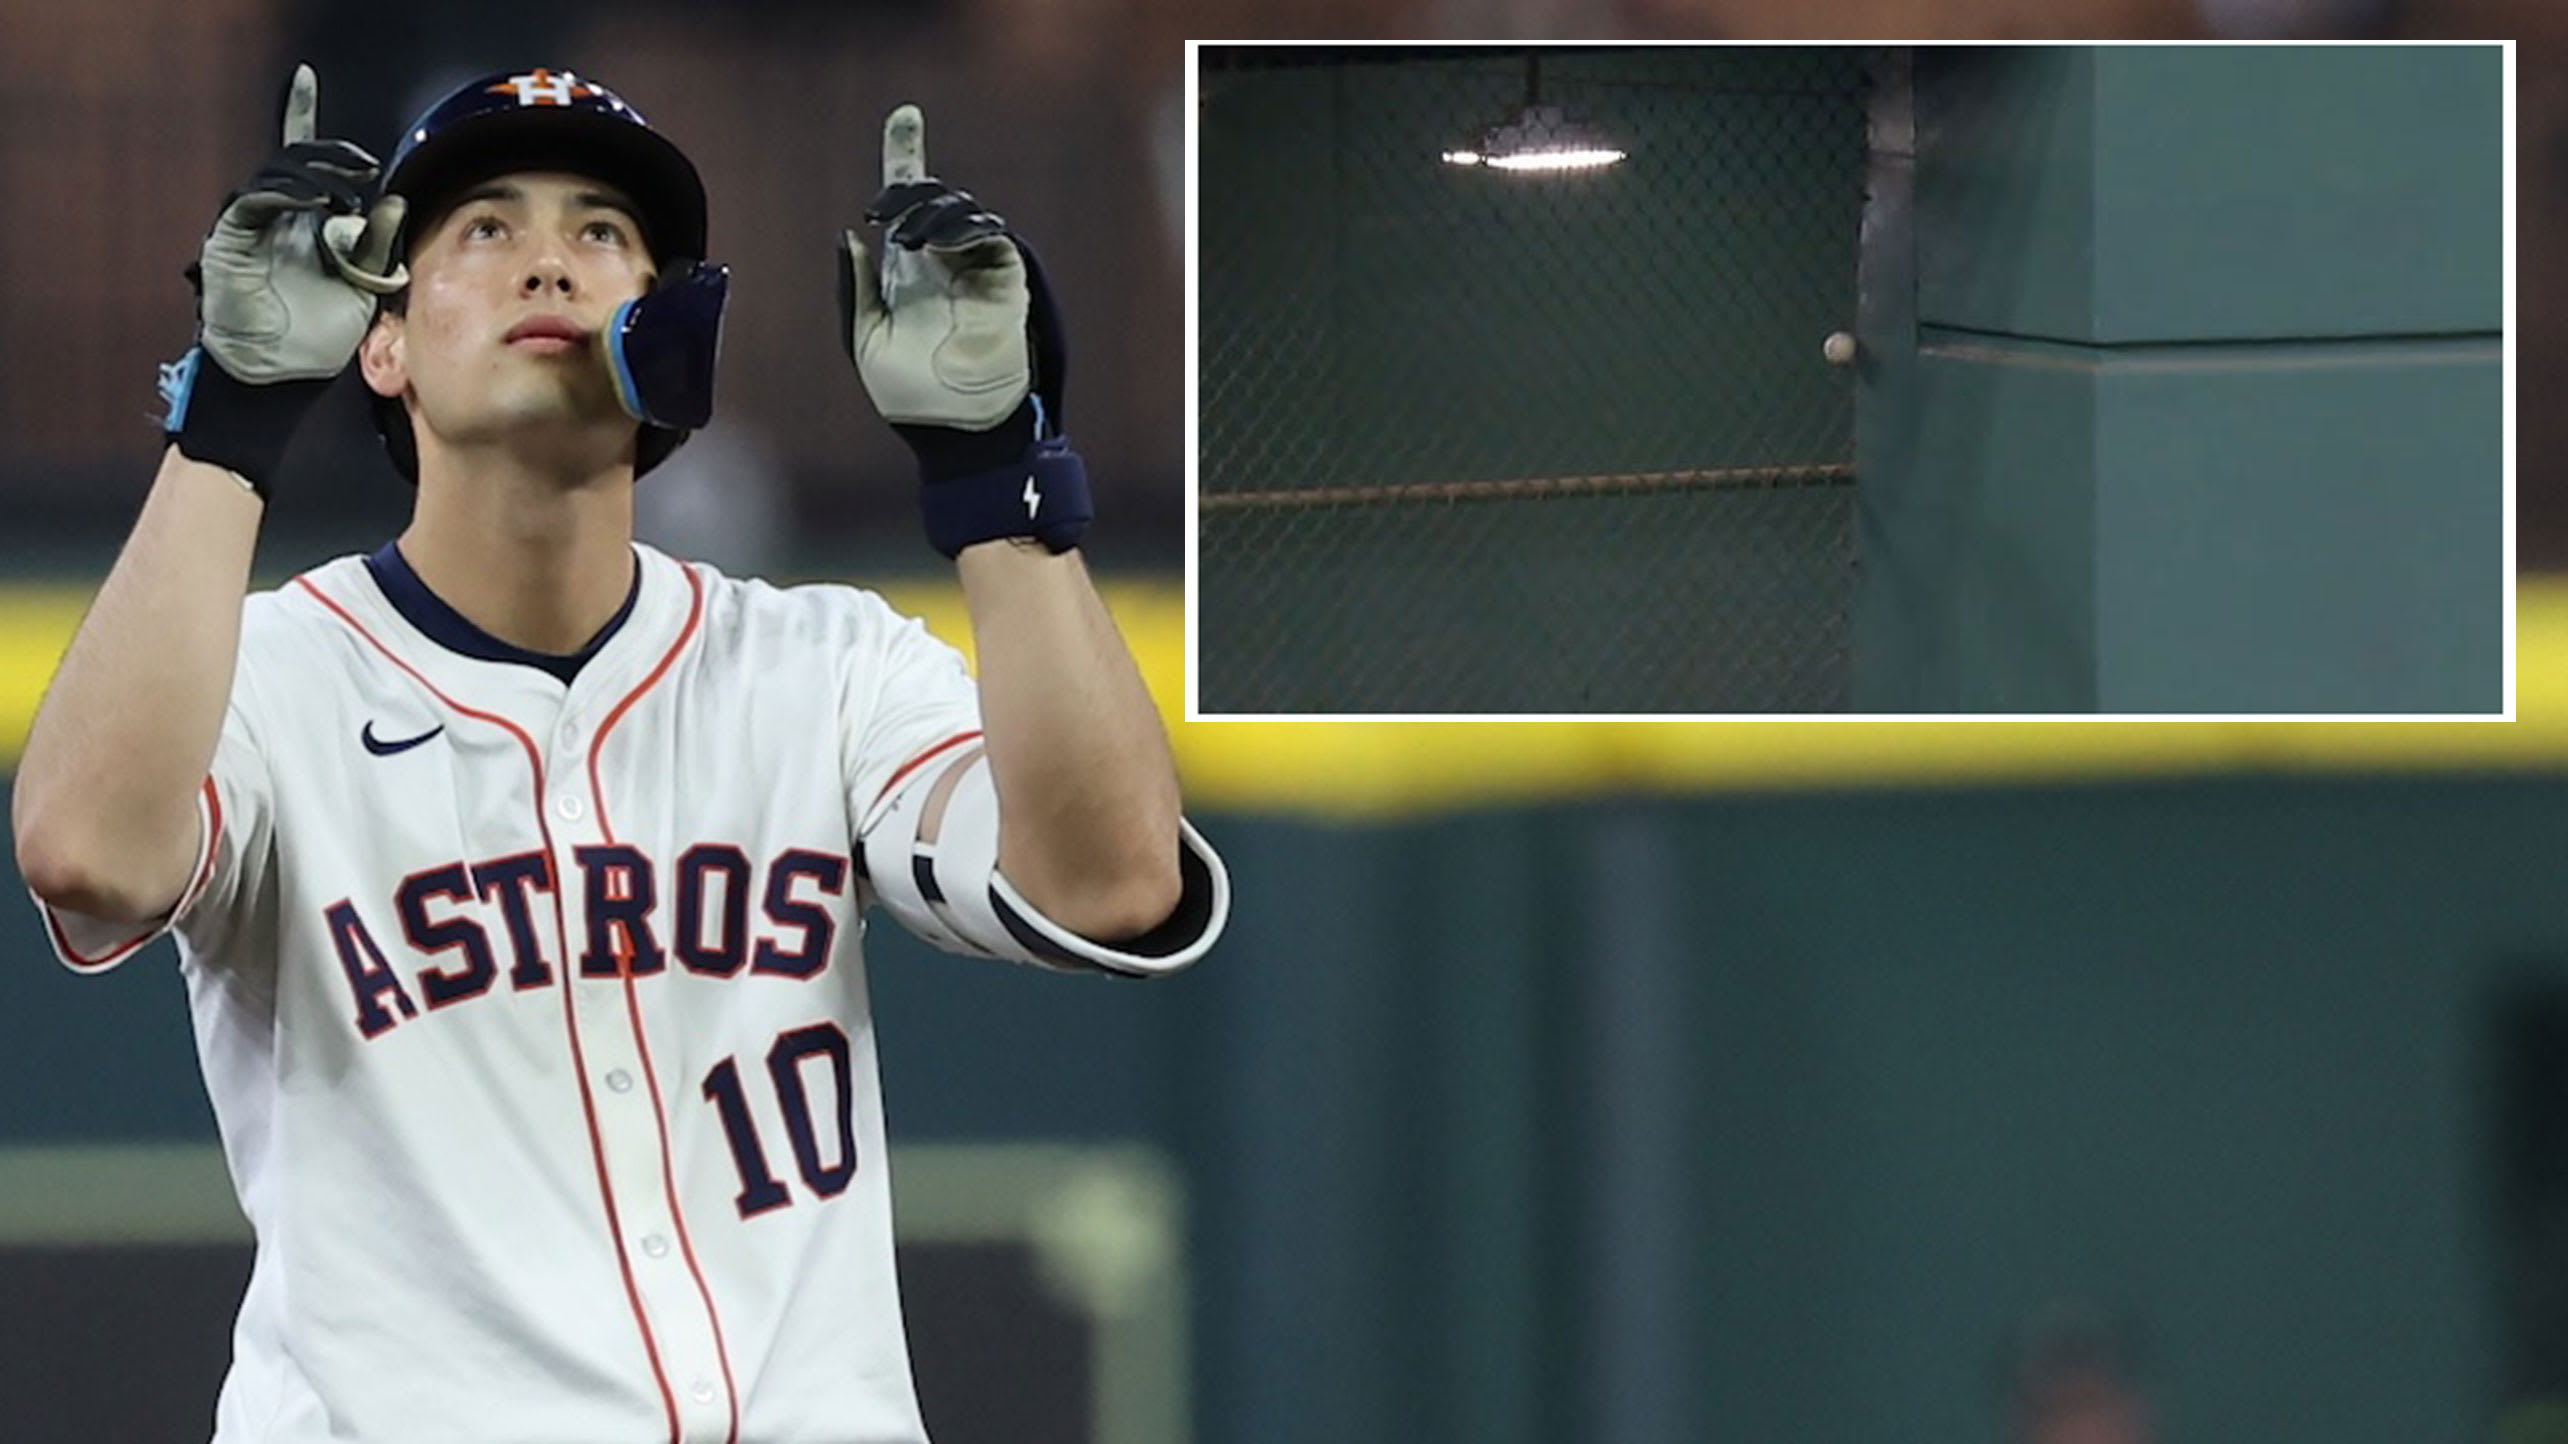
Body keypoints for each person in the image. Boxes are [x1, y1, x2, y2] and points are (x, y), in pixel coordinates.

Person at [9, 63, 1227, 1443]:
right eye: (484, 228)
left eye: (600, 232)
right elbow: (87, 851)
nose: (548, 261)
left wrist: (993, 479)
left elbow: (1109, 882)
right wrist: (228, 421)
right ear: (382, 340)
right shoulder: (267, 676)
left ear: (671, 336)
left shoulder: (829, 668)